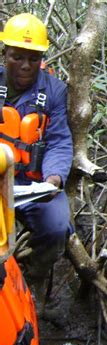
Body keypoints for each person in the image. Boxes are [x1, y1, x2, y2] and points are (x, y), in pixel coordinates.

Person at [0, 13, 74, 302]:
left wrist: (53, 177)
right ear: (5, 53)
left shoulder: (54, 92)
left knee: (56, 226)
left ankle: (31, 282)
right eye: (17, 57)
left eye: (33, 58)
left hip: (32, 186)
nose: (25, 66)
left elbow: (59, 141)